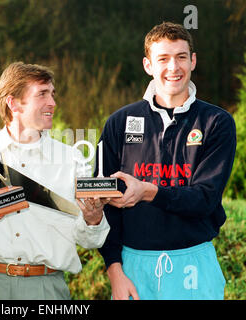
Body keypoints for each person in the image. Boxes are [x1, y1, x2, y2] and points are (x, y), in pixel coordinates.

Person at [0, 61, 110, 300]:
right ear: (13, 103)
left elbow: (90, 240)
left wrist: (93, 220)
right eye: (42, 94)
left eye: (52, 94)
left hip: (47, 291)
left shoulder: (71, 159)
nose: (52, 102)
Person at [97, 22, 236, 300]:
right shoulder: (119, 122)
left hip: (194, 263)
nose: (173, 67)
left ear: (193, 61)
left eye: (181, 57)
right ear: (148, 65)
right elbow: (104, 202)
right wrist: (114, 270)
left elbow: (204, 199)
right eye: (163, 58)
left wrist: (148, 191)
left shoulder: (216, 122)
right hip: (132, 266)